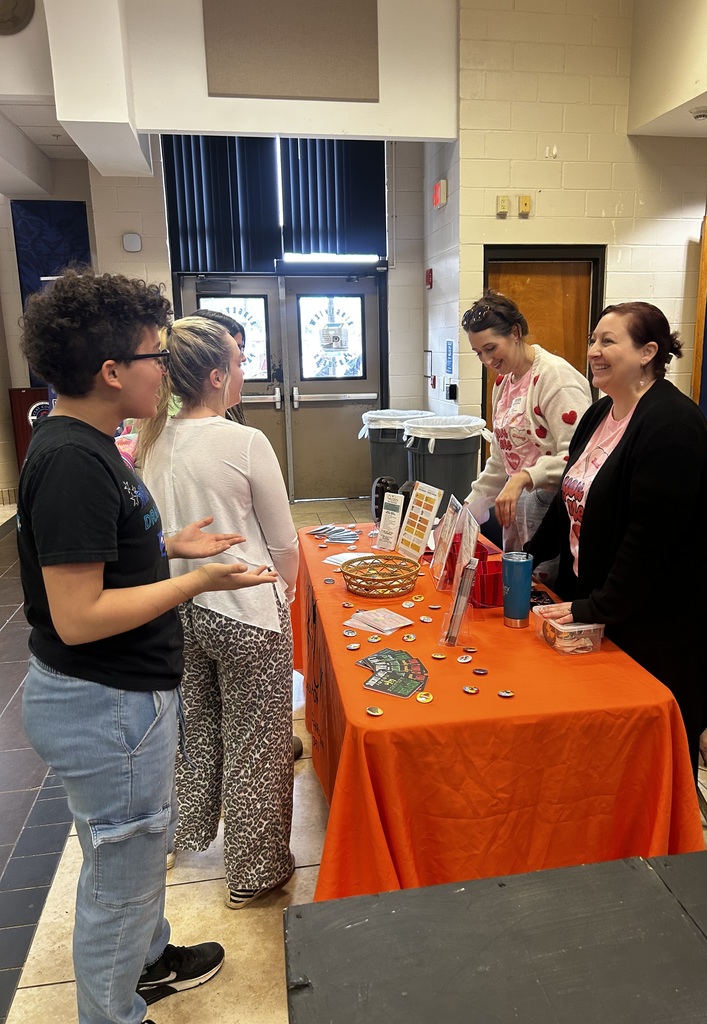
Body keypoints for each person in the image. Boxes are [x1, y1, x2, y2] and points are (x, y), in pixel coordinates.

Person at [17, 269, 278, 1024]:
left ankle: (149, 958)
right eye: (154, 357)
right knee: (117, 879)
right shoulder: (71, 459)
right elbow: (79, 614)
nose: (165, 371)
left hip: (122, 697)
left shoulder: (93, 445)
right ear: (111, 372)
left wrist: (169, 546)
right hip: (103, 704)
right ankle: (113, 1012)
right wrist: (195, 582)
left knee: (127, 853)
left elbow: (100, 558)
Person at [528, 301, 707, 773]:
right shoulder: (599, 414)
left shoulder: (672, 424)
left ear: (648, 352)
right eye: (593, 341)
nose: (594, 351)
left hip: (662, 617)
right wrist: (524, 553)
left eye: (608, 341)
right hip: (609, 600)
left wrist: (591, 608)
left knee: (653, 749)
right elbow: (568, 499)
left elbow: (650, 543)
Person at [139, 315, 299, 910]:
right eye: (237, 361)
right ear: (215, 375)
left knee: (200, 728)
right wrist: (289, 587)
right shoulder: (244, 441)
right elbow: (283, 541)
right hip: (246, 607)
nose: (243, 371)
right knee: (258, 740)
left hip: (181, 608)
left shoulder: (152, 439)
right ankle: (254, 871)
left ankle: (189, 834)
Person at [463, 290, 592, 575]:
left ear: (516, 332)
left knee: (543, 596)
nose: (486, 360)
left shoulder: (556, 378)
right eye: (479, 353)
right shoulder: (504, 384)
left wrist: (525, 477)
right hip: (517, 514)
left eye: (491, 348)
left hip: (553, 515)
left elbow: (579, 460)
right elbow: (501, 458)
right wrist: (469, 509)